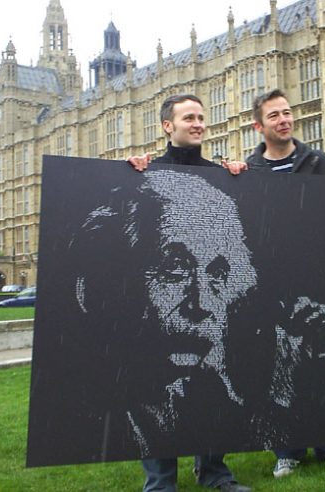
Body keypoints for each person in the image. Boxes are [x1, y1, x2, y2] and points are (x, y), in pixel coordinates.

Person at [125, 94, 251, 492]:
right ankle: (160, 482)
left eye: (201, 117)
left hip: (208, 295)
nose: (198, 123)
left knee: (211, 374)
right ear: (168, 126)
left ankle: (213, 472)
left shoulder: (219, 174)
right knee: (159, 380)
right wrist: (129, 171)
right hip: (163, 302)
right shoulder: (147, 172)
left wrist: (239, 173)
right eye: (188, 118)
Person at [245, 89, 325, 478]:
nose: (284, 120)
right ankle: (287, 449)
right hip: (274, 285)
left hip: (319, 277)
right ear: (259, 126)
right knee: (279, 366)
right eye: (274, 115)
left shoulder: (319, 163)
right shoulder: (250, 171)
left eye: (287, 113)